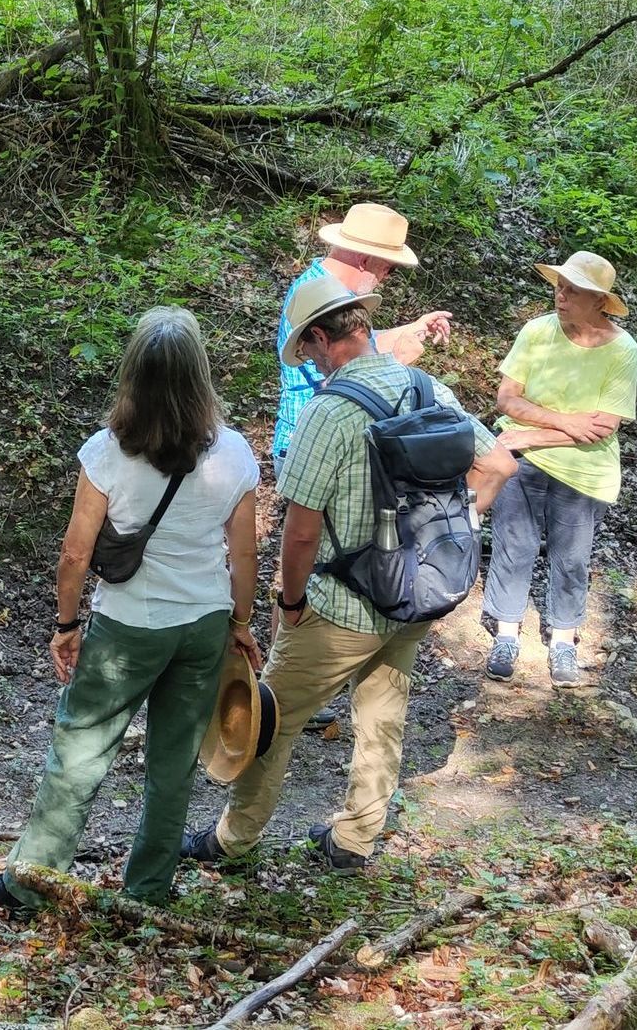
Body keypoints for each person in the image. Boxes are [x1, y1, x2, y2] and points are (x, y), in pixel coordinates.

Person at [186, 275, 515, 872]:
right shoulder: (426, 387)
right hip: (415, 592)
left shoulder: (328, 413)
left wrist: (289, 603)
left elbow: (301, 530)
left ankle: (233, 840)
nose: (308, 362)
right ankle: (355, 841)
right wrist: (458, 525)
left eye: (307, 350)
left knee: (271, 719)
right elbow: (498, 464)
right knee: (383, 715)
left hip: (339, 606)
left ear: (321, 337)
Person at [0, 308, 262, 915]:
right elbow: (244, 550)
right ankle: (148, 890)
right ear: (199, 376)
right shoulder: (233, 452)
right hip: (204, 622)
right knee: (174, 761)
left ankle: (32, 884)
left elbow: (76, 553)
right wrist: (240, 622)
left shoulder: (107, 453)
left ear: (133, 375)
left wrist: (67, 624)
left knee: (78, 752)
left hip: (130, 626)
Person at [482, 252, 637, 686]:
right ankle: (506, 632)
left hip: (582, 470)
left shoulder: (623, 349)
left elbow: (603, 427)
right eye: (560, 285)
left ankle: (564, 641)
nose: (561, 294)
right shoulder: (537, 331)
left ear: (599, 300)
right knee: (514, 546)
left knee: (571, 558)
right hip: (522, 462)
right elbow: (507, 400)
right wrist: (567, 422)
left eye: (573, 289)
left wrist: (533, 434)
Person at [271, 203, 453, 473]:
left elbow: (360, 347)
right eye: (389, 268)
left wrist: (410, 329)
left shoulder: (327, 291)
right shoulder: (319, 301)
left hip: (324, 441)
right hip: (313, 445)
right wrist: (398, 364)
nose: (385, 278)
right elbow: (343, 379)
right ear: (365, 260)